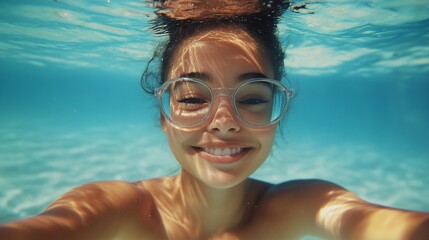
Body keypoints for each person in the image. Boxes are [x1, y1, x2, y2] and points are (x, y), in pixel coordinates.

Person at [1, 1, 428, 239]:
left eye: (255, 97)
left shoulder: (301, 205)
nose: (223, 122)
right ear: (163, 115)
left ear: (279, 113)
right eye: (190, 97)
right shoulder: (122, 210)